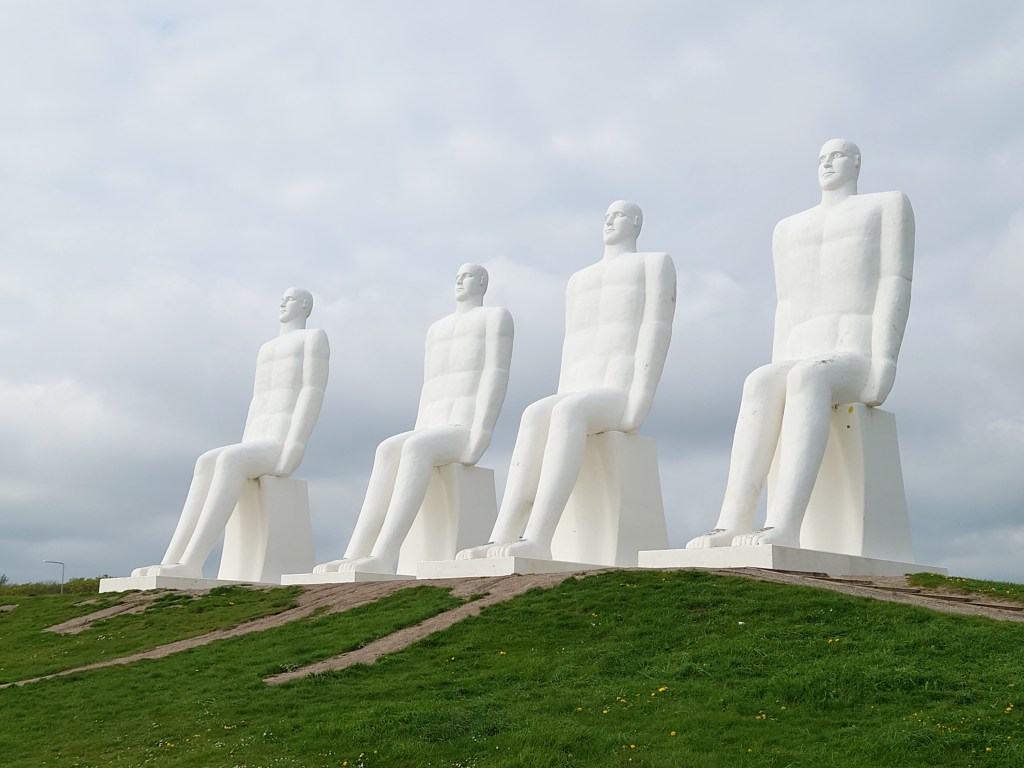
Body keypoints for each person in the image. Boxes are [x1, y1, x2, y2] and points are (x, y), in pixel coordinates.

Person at [687, 139, 915, 550]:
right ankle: (731, 521)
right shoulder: (789, 229)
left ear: (857, 163)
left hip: (854, 353)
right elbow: (786, 304)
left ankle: (784, 523)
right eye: (822, 158)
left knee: (809, 377)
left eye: (837, 156)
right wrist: (779, 371)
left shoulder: (887, 206)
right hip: (802, 351)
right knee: (760, 381)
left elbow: (894, 283)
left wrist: (885, 362)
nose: (827, 163)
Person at [458, 201, 676, 562]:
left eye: (619, 215)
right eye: (606, 216)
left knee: (568, 412)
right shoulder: (578, 280)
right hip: (578, 388)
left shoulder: (654, 264)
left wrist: (642, 395)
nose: (609, 221)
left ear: (637, 222)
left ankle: (539, 536)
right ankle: (501, 535)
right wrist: (561, 393)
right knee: (534, 414)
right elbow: (572, 346)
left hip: (617, 391)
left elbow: (656, 328)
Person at [314, 264, 513, 575]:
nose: (460, 280)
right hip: (432, 424)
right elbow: (429, 387)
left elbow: (495, 373)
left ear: (483, 282)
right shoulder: (436, 330)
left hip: (462, 427)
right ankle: (355, 552)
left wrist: (482, 432)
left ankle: (383, 554)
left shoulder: (495, 317)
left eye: (468, 276)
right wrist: (420, 427)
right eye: (457, 276)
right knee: (387, 449)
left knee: (416, 448)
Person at [133, 288, 329, 578]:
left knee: (229, 460)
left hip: (279, 441)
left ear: (304, 305)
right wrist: (245, 442)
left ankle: (192, 561)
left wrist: (295, 444)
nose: (282, 303)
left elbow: (312, 391)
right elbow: (257, 400)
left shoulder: (313, 338)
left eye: (289, 299)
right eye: (282, 298)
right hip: (257, 439)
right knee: (205, 461)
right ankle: (172, 558)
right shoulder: (266, 349)